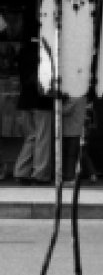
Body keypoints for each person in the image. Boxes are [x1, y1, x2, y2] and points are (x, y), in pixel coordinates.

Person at [13, 27, 53, 186]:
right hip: (41, 101)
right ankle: (40, 174)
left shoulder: (23, 52)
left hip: (24, 100)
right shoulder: (45, 52)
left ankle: (21, 171)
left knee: (31, 137)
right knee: (43, 137)